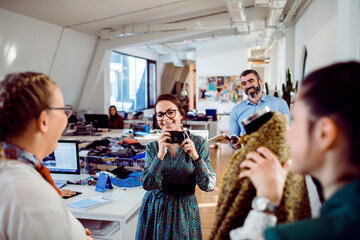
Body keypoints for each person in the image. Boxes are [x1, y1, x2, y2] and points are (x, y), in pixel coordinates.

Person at [230, 61, 360, 240]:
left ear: (324, 133)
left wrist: (265, 204)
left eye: (297, 120)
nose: (288, 134)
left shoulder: (285, 235)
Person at [0, 72, 92, 240]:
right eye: (64, 110)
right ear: (44, 121)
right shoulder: (30, 196)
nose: (66, 118)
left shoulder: (12, 170)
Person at [135, 94, 216, 240]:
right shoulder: (153, 147)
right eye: (160, 114)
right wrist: (159, 156)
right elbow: (147, 184)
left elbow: (208, 185)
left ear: (181, 114)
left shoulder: (198, 144)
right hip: (155, 210)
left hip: (184, 210)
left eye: (170, 112)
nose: (165, 118)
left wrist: (196, 158)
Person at [229, 69, 291, 149]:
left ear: (260, 81)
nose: (248, 86)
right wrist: (233, 144)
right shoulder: (236, 110)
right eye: (244, 83)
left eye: (251, 81)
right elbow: (232, 137)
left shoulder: (280, 104)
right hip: (246, 156)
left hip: (272, 154)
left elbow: (289, 131)